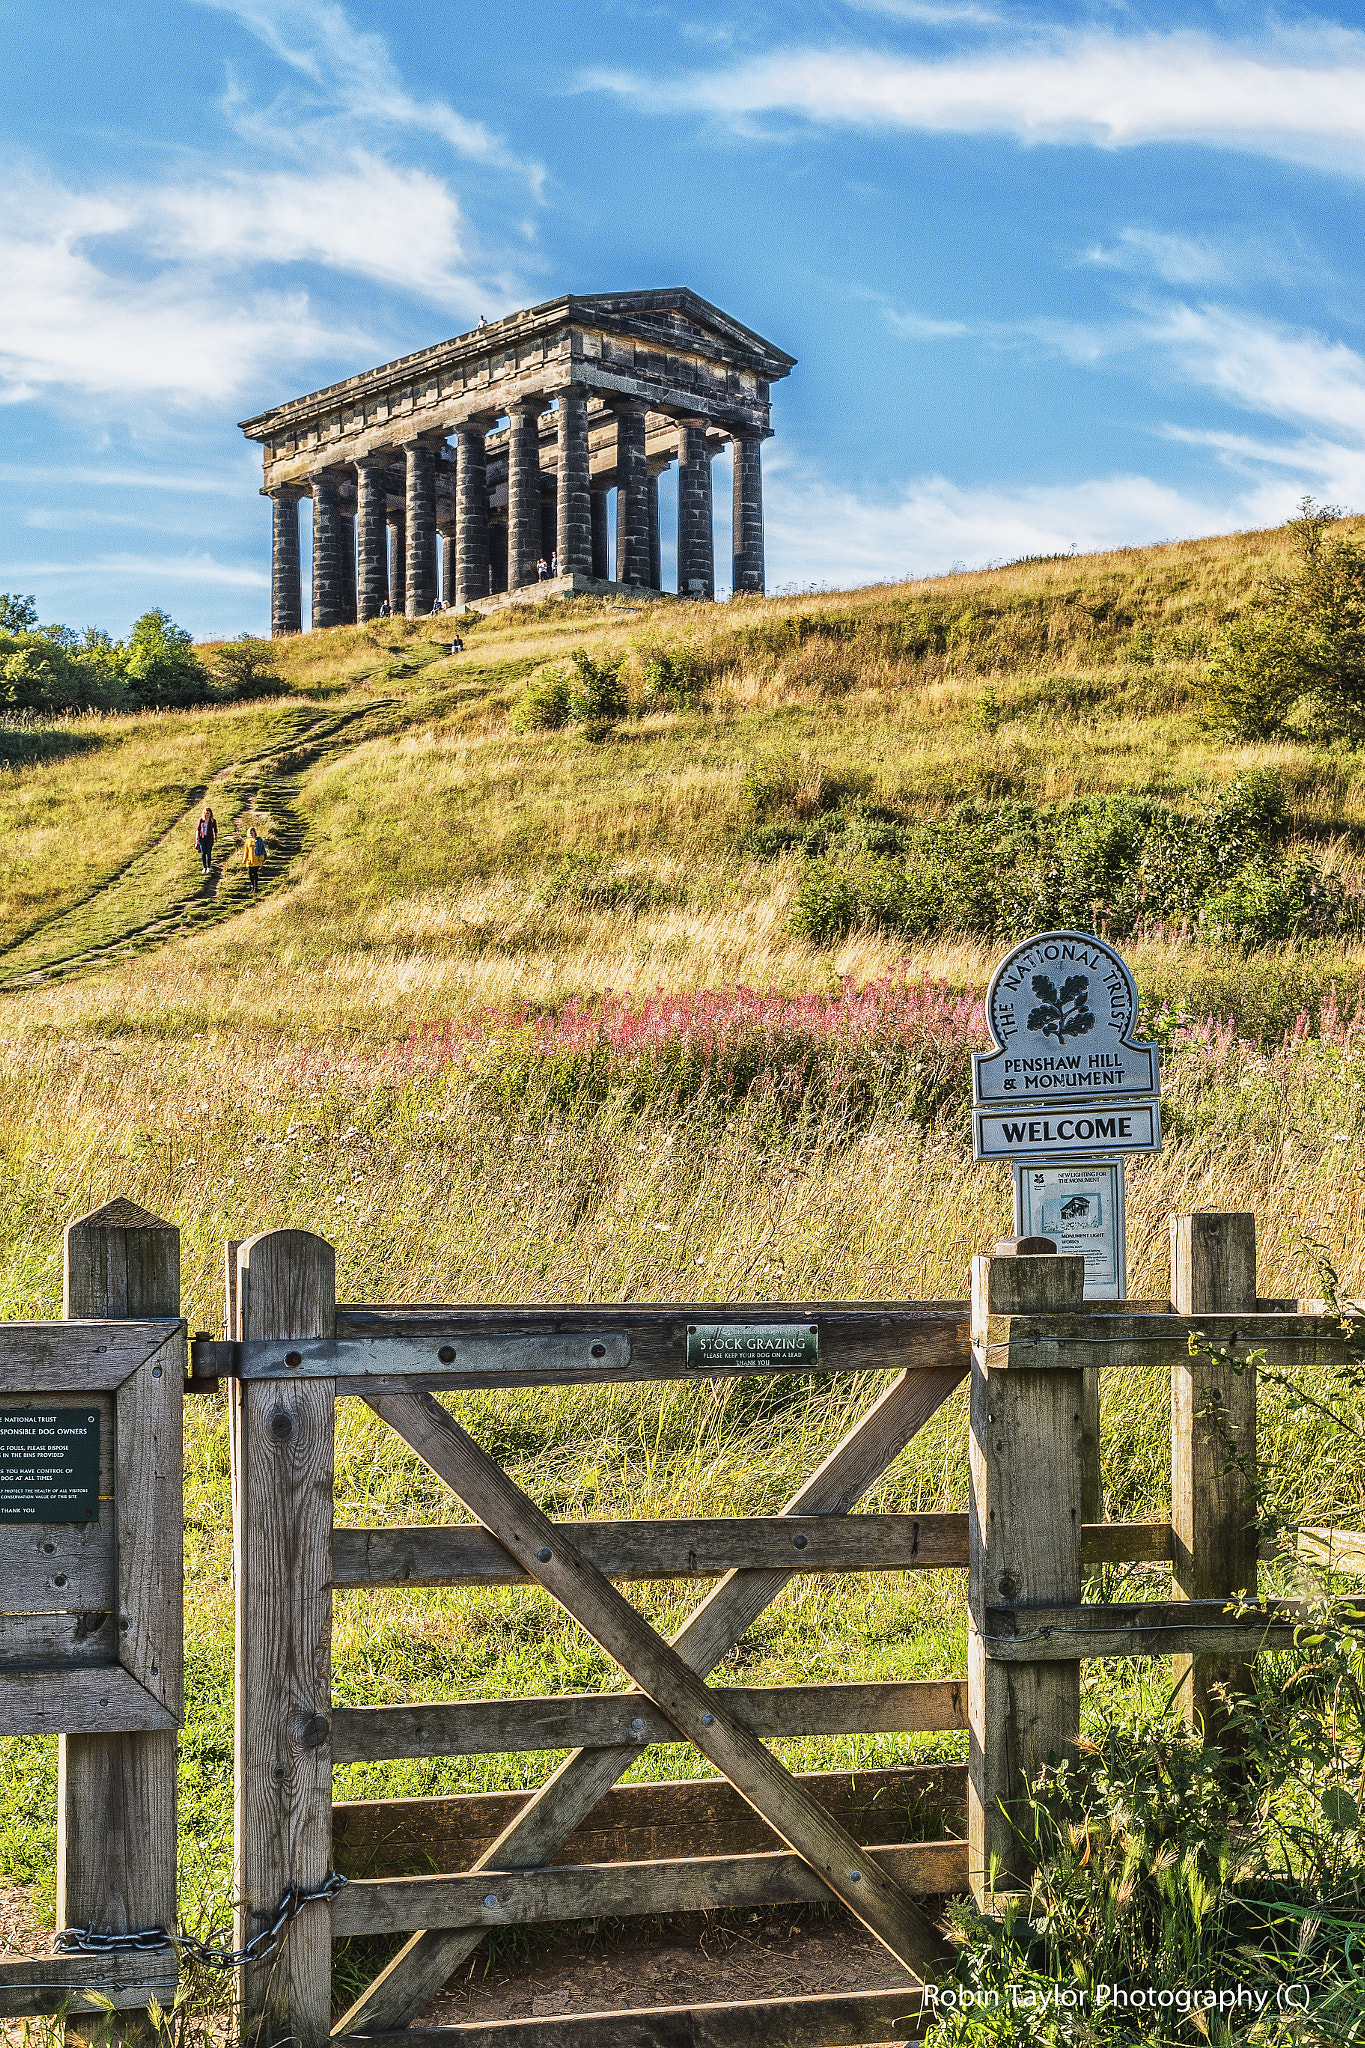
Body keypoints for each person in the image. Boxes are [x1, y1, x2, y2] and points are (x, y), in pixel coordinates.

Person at [243, 822, 266, 895]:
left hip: (257, 858)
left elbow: (262, 849)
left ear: (254, 833)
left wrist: (262, 858)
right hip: (250, 859)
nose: (251, 834)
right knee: (250, 873)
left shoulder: (259, 840)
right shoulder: (247, 841)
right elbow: (246, 850)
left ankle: (255, 887)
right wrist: (244, 858)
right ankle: (252, 885)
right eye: (249, 833)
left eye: (252, 833)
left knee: (255, 873)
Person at [195, 804, 217, 874]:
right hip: (202, 838)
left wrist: (216, 837)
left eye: (208, 813)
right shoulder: (201, 820)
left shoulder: (213, 821)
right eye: (205, 813)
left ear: (210, 813)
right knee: (203, 853)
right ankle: (204, 867)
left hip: (209, 838)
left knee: (209, 853)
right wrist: (197, 838)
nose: (207, 814)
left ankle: (208, 867)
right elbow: (198, 829)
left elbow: (215, 830)